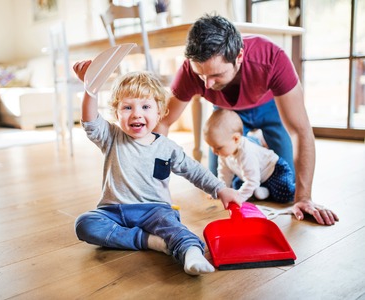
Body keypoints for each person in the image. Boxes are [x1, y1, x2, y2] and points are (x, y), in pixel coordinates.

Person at [154, 13, 339, 225]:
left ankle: (257, 144)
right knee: (223, 184)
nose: (206, 84)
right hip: (226, 114)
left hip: (270, 107)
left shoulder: (271, 58)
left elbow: (300, 130)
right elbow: (163, 122)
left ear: (239, 56)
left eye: (216, 75)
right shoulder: (190, 71)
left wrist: (304, 198)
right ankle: (253, 145)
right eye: (201, 75)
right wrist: (156, 185)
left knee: (285, 182)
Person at [72, 60, 241, 275]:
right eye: (127, 107)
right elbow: (90, 121)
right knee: (85, 224)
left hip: (154, 211)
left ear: (160, 112)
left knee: (174, 227)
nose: (136, 114)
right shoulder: (111, 137)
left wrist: (219, 188)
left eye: (145, 106)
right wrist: (90, 90)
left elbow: (194, 171)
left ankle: (191, 253)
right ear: (116, 113)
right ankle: (149, 241)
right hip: (112, 211)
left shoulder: (167, 147)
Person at [204, 109, 295, 203]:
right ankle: (264, 190)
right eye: (211, 146)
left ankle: (265, 189)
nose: (214, 151)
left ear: (236, 139)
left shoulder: (246, 152)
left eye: (218, 147)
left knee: (284, 193)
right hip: (256, 176)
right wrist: (221, 190)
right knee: (236, 186)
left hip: (274, 171)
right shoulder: (223, 153)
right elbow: (224, 174)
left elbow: (252, 181)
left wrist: (239, 198)